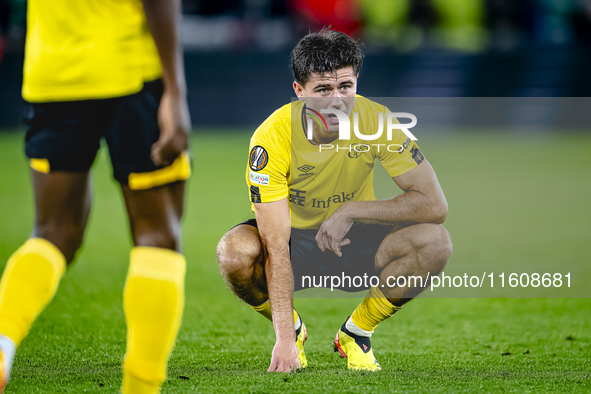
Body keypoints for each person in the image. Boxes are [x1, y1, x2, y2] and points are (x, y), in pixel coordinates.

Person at [216, 28, 453, 372]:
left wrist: (351, 210)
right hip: (295, 245)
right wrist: (283, 339)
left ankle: (357, 333)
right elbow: (276, 245)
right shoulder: (272, 137)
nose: (337, 99)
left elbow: (434, 206)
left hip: (356, 239)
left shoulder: (378, 121)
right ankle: (295, 330)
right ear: (299, 91)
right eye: (323, 89)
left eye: (346, 86)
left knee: (434, 243)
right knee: (234, 252)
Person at [0, 0, 190, 392]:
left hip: (51, 78)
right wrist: (175, 90)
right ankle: (140, 386)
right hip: (130, 73)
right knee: (157, 237)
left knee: (52, 234)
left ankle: (1, 345)